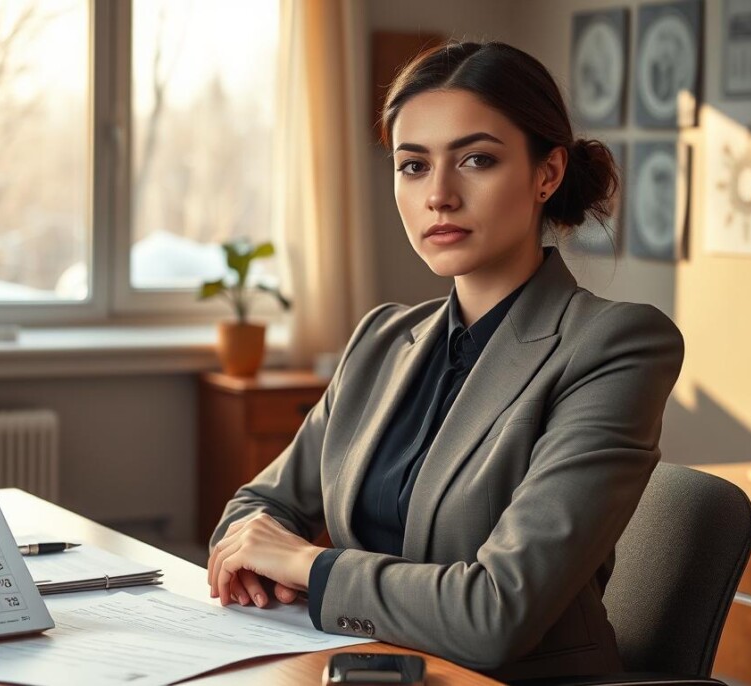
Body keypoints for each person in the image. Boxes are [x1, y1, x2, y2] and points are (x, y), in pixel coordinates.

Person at [206, 40, 684, 682]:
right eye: (413, 166)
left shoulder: (615, 344)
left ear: (547, 174)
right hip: (356, 667)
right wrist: (266, 562)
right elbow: (253, 514)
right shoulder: (380, 338)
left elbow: (497, 612)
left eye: (477, 160)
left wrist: (307, 569)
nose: (439, 196)